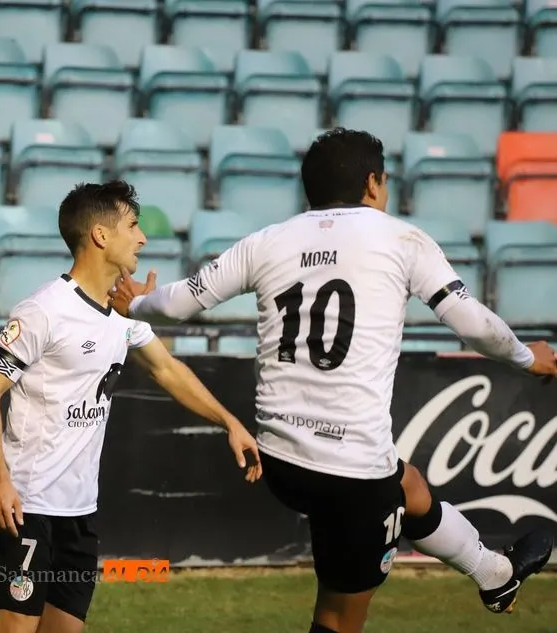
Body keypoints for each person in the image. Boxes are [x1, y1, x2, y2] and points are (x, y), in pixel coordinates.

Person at [108, 128, 557, 633]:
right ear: (372, 183)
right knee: (339, 621)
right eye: (384, 181)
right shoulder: (402, 240)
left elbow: (180, 302)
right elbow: (471, 322)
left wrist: (138, 303)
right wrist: (526, 356)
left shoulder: (268, 240)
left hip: (280, 460)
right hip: (351, 473)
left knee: (406, 483)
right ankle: (494, 575)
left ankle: (495, 575)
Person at [0, 181, 262, 633]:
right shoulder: (43, 310)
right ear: (101, 236)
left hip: (79, 511)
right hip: (27, 504)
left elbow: (168, 370)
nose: (142, 238)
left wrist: (230, 422)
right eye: (132, 226)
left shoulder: (122, 319)